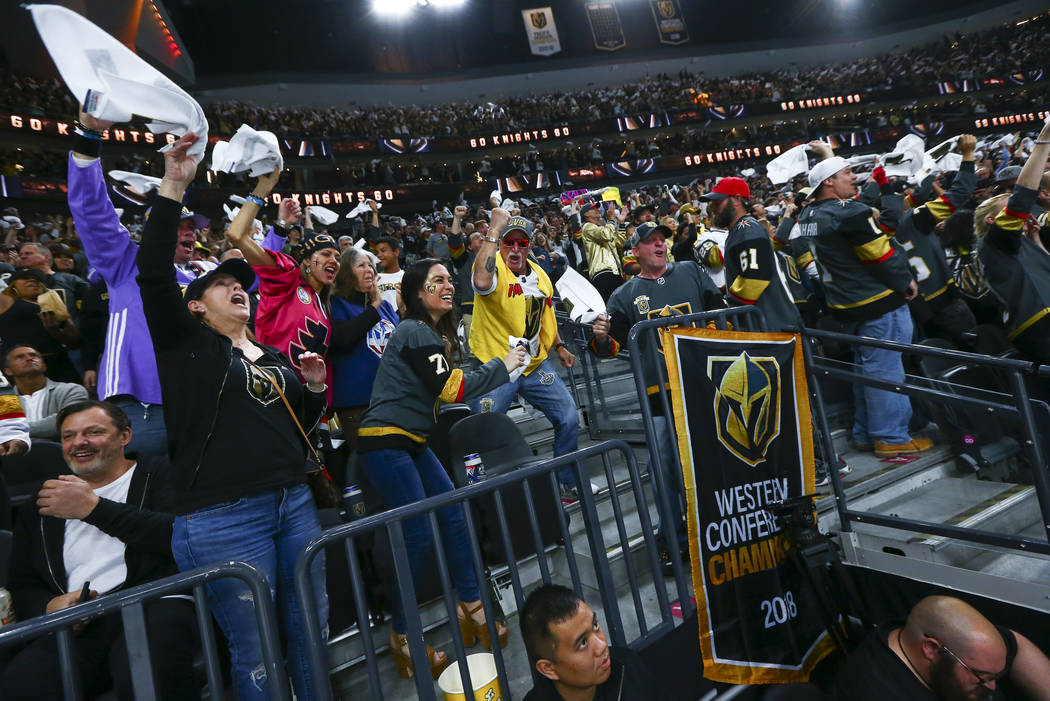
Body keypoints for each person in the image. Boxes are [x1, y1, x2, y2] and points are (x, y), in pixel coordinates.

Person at [137, 132, 329, 700]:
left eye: (239, 284)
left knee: (310, 633)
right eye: (219, 286)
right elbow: (152, 271)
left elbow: (296, 425)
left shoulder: (270, 354)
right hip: (224, 515)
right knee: (259, 651)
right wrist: (175, 182)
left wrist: (312, 389)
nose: (235, 289)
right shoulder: (185, 345)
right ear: (195, 305)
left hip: (292, 500)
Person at [356, 258, 525, 679]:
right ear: (417, 292)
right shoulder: (413, 328)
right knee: (417, 535)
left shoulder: (429, 334)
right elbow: (451, 388)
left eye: (451, 279)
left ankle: (471, 604)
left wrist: (497, 367)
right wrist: (503, 365)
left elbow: (450, 379)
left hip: (410, 441)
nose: (449, 285)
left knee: (453, 513)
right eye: (438, 280)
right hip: (385, 442)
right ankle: (403, 636)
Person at [3, 400, 199, 701]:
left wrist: (94, 509)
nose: (79, 443)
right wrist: (50, 605)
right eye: (68, 436)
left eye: (93, 432)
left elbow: (183, 538)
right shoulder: (41, 502)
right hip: (79, 623)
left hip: (154, 603)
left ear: (125, 436)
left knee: (145, 678)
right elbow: (23, 582)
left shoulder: (163, 474)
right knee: (20, 685)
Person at [590, 222, 726, 568]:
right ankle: (674, 536)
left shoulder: (691, 271)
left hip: (702, 384)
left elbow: (718, 312)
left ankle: (717, 529)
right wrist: (602, 337)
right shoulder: (623, 295)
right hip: (658, 394)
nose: (659, 245)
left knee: (708, 462)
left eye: (661, 239)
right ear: (635, 252)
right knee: (664, 469)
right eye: (649, 242)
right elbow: (610, 349)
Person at [67, 110, 202, 458]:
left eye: (193, 226)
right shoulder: (127, 262)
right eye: (178, 225)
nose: (190, 232)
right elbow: (92, 211)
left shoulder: (203, 278)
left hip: (200, 403)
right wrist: (88, 137)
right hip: (139, 407)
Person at [797, 144, 931, 458]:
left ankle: (864, 433)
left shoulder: (808, 215)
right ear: (829, 182)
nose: (853, 177)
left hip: (846, 303)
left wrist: (828, 156)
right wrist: (904, 279)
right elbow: (878, 253)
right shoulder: (849, 212)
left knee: (866, 368)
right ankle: (891, 439)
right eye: (846, 173)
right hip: (877, 300)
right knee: (886, 370)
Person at [469, 209, 581, 497]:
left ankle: (566, 482)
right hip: (495, 367)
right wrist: (494, 228)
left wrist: (559, 346)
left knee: (569, 417)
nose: (515, 249)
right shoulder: (494, 270)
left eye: (522, 243)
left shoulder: (540, 275)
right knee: (484, 433)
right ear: (500, 244)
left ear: (530, 245)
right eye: (509, 243)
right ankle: (490, 499)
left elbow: (543, 317)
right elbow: (481, 282)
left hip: (533, 366)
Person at [227, 166, 340, 389]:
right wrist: (262, 188)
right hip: (269, 390)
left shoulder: (324, 303)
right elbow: (236, 235)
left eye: (337, 256)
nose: (334, 260)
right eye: (326, 254)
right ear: (306, 261)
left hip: (304, 399)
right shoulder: (288, 276)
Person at [829, 595, 1050, 700]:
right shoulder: (874, 691)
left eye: (996, 675)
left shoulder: (963, 648)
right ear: (932, 650)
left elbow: (1016, 646)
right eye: (982, 677)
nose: (991, 686)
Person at [978, 116, 1050, 365]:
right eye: (1006, 206)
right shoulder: (993, 242)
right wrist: (1044, 140)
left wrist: (1037, 240)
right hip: (1039, 323)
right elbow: (1022, 198)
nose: (1018, 209)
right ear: (991, 220)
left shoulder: (1017, 243)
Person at [521, 584, 664, 701]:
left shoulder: (628, 668)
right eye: (582, 643)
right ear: (549, 669)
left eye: (595, 626)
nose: (602, 646)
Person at [703, 176, 802, 332]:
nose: (713, 208)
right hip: (767, 324)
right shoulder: (740, 230)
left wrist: (727, 310)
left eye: (718, 202)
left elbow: (754, 278)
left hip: (774, 327)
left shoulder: (747, 229)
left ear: (736, 199)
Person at [330, 246, 399, 450]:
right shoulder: (336, 304)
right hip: (359, 403)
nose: (369, 269)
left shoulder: (385, 307)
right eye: (361, 265)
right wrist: (374, 306)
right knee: (376, 465)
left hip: (394, 397)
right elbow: (343, 338)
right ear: (346, 273)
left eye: (371, 265)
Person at [0, 268, 81, 384]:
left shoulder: (54, 303)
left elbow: (74, 342)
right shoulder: (6, 302)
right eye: (25, 278)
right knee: (28, 401)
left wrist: (54, 330)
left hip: (58, 362)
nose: (33, 280)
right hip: (22, 367)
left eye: (38, 279)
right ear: (13, 285)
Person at [4, 344, 88, 440]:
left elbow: (68, 421)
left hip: (61, 451)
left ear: (44, 366)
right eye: (19, 357)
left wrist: (12, 430)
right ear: (8, 371)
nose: (29, 358)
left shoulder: (71, 390)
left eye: (33, 355)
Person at [576, 201, 628, 301]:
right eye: (593, 208)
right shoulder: (587, 227)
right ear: (586, 214)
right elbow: (606, 235)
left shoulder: (603, 229)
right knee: (609, 308)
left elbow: (620, 243)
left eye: (597, 208)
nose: (597, 210)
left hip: (615, 272)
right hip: (602, 274)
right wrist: (611, 219)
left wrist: (621, 223)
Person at [375, 234, 404, 310]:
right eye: (377, 253)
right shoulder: (374, 278)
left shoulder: (407, 277)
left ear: (396, 252)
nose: (379, 255)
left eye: (383, 251)